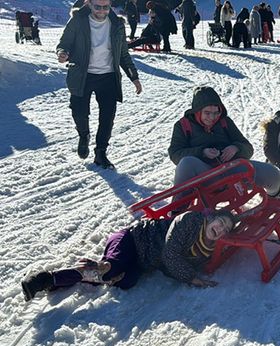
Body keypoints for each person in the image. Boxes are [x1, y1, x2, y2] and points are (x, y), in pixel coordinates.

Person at [20, 210, 237, 302]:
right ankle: (46, 279)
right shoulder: (190, 220)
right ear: (212, 218)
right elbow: (170, 254)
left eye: (225, 230)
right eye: (221, 222)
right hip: (132, 239)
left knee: (125, 281)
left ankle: (77, 276)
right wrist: (192, 278)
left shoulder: (204, 252)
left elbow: (169, 267)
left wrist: (184, 273)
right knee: (111, 269)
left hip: (142, 262)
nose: (221, 229)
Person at [56, 0, 142, 169]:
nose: (102, 11)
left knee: (107, 117)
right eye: (97, 7)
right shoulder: (77, 21)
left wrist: (134, 77)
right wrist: (62, 53)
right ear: (88, 4)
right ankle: (84, 134)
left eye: (105, 7)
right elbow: (64, 43)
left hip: (108, 77)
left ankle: (101, 153)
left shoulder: (117, 24)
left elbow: (123, 54)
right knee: (79, 112)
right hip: (82, 75)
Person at [168, 86, 280, 199]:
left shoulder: (224, 122)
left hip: (230, 170)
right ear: (197, 111)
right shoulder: (183, 126)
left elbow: (248, 148)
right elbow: (175, 154)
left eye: (216, 113)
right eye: (207, 113)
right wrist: (202, 152)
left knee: (273, 173)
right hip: (204, 175)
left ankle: (274, 199)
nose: (212, 117)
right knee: (186, 163)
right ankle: (175, 210)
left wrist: (236, 148)